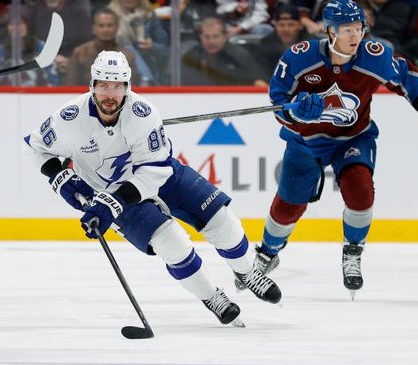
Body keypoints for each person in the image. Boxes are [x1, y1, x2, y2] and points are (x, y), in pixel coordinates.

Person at [23, 50, 282, 327]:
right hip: (110, 191)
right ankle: (212, 297)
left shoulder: (143, 114)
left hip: (159, 176)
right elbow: (36, 146)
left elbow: (154, 170)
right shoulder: (68, 118)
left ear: (128, 87)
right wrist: (61, 178)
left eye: (117, 86)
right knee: (173, 245)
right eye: (103, 85)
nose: (110, 94)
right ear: (92, 86)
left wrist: (112, 203)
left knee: (223, 222)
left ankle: (246, 272)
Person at [245, 0, 418, 299]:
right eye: (347, 30)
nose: (355, 36)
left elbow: (405, 77)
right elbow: (278, 101)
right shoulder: (300, 59)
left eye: (359, 28)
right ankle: (268, 252)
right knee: (290, 202)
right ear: (329, 32)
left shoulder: (374, 57)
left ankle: (352, 252)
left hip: (354, 138)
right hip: (306, 140)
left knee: (361, 189)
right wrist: (297, 113)